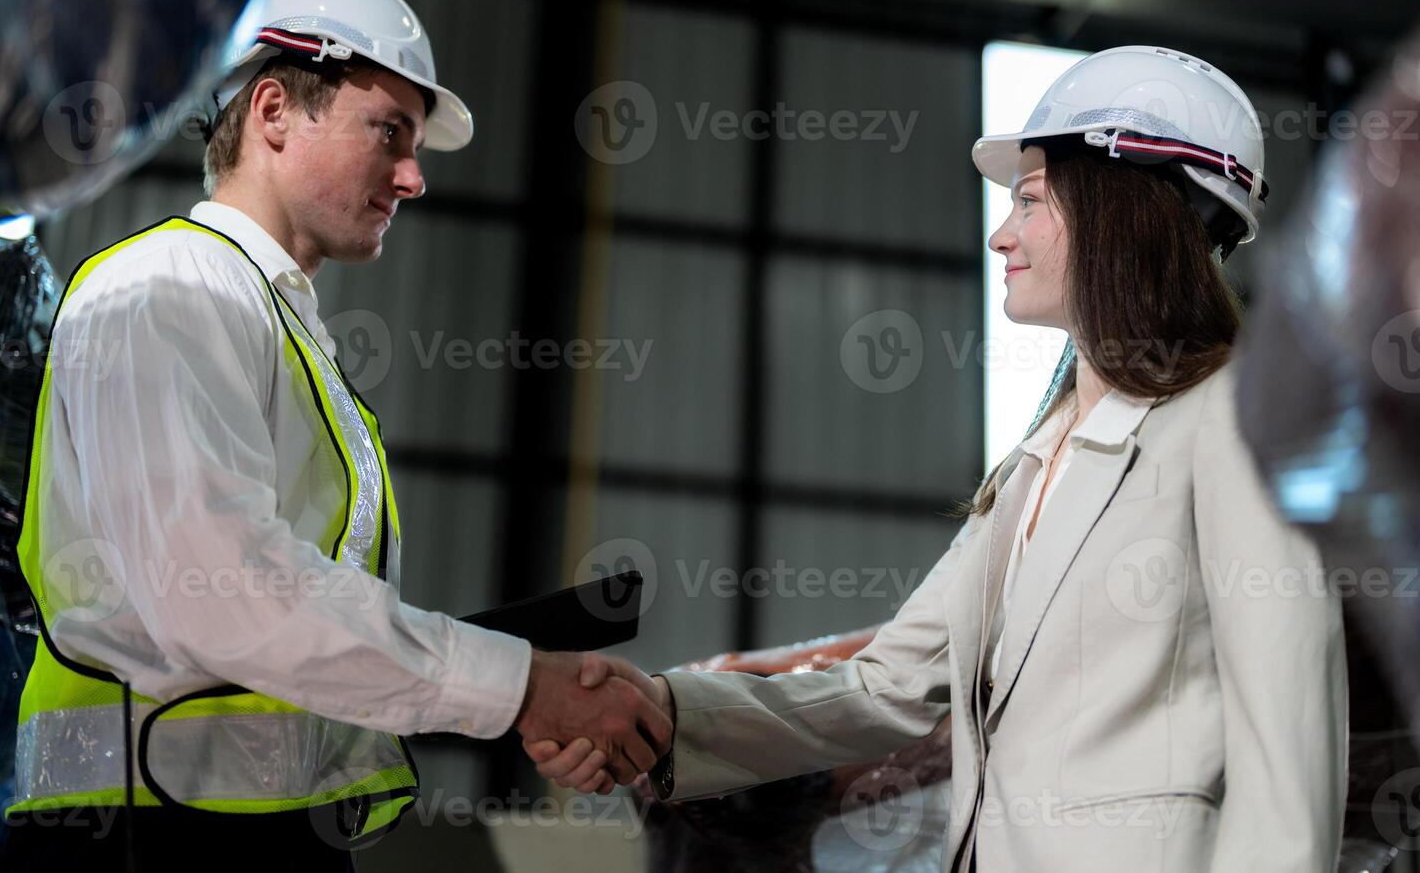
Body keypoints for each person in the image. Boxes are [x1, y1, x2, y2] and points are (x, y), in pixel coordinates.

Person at [527, 46, 1350, 871]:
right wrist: (665, 712)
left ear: (1119, 204)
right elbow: (886, 685)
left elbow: (1291, 752)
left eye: (1028, 201)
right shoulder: (1038, 459)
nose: (1001, 235)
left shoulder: (1241, 428)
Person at [0, 0, 669, 872]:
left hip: (250, 834)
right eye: (388, 132)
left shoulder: (275, 321)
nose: (415, 176)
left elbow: (288, 620)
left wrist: (520, 680)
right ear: (273, 110)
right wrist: (519, 688)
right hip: (140, 839)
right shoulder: (167, 289)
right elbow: (226, 593)